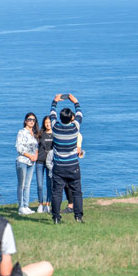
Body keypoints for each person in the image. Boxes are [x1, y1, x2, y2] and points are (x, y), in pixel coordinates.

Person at [50, 94, 84, 224]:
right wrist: (75, 101)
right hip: (73, 165)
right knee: (77, 192)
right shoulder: (75, 128)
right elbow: (80, 114)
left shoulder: (55, 128)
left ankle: (56, 217)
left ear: (60, 118)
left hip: (58, 166)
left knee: (57, 193)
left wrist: (55, 101)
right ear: (71, 118)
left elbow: (52, 114)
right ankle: (78, 216)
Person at [15, 113, 39, 215]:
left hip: (32, 162)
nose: (31, 121)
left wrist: (36, 156)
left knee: (27, 185)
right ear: (25, 121)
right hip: (22, 161)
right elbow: (19, 147)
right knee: (21, 184)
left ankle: (26, 205)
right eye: (29, 119)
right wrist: (30, 156)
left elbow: (36, 147)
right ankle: (21, 206)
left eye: (33, 120)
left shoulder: (34, 133)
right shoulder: (21, 132)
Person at [35, 115, 53, 214]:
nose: (48, 124)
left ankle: (47, 205)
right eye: (46, 122)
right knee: (40, 185)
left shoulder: (55, 134)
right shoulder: (40, 133)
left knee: (49, 184)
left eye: (49, 122)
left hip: (50, 163)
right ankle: (40, 204)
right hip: (39, 162)